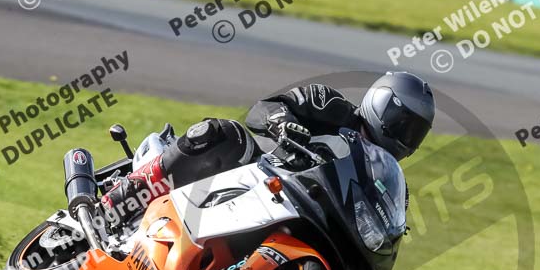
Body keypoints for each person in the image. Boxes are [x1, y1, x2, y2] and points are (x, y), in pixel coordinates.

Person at [100, 71, 436, 228]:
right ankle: (124, 196)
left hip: (291, 214)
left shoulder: (385, 178)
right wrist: (282, 122)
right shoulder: (331, 105)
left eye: (415, 132)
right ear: (381, 104)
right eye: (403, 123)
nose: (406, 137)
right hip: (255, 171)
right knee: (223, 134)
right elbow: (263, 108)